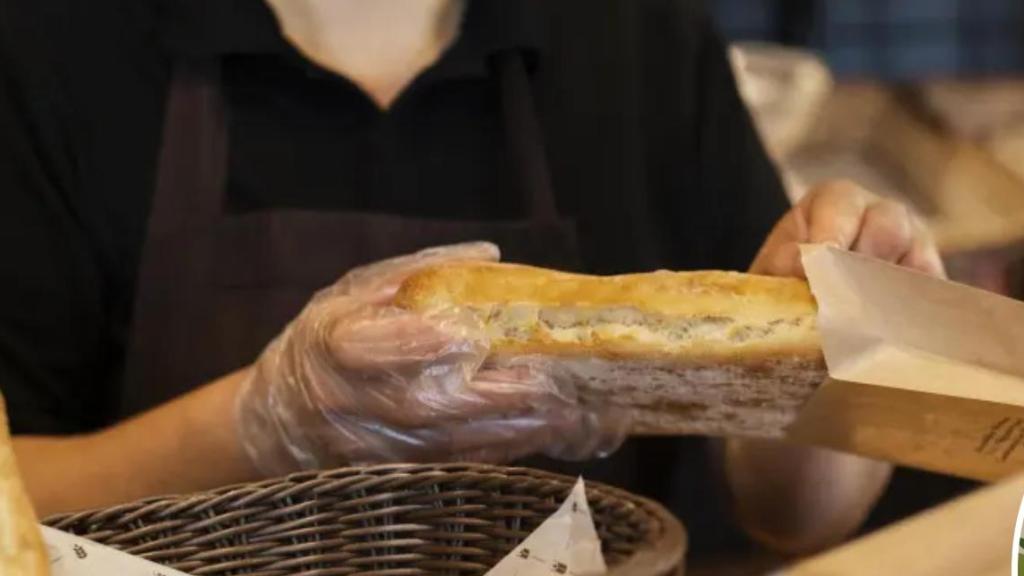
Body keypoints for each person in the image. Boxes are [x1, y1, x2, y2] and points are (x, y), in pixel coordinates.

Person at [0, 0, 945, 565]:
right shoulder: (57, 46)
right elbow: (16, 499)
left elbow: (788, 516)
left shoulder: (633, 34)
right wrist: (267, 421)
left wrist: (843, 342)